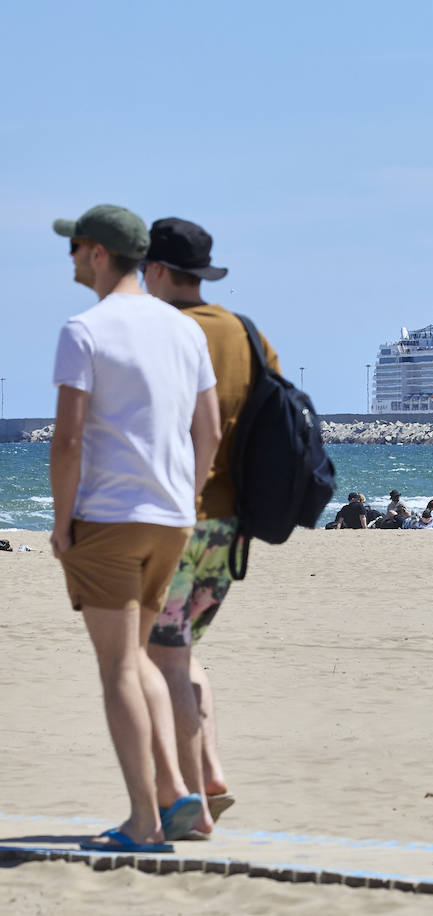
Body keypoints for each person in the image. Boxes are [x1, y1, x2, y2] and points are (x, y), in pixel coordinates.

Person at [50, 204, 222, 851]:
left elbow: (68, 441)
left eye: (75, 248)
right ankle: (184, 796)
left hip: (109, 515)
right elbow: (208, 430)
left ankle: (145, 820)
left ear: (98, 254)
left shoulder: (84, 329)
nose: (69, 260)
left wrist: (63, 522)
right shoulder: (184, 331)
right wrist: (191, 491)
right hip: (172, 517)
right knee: (143, 654)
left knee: (118, 667)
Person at [142, 218, 281, 837]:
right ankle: (213, 770)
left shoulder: (161, 332)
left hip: (177, 517)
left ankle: (190, 804)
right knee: (180, 651)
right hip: (232, 527)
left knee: (156, 659)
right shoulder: (246, 334)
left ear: (158, 271)